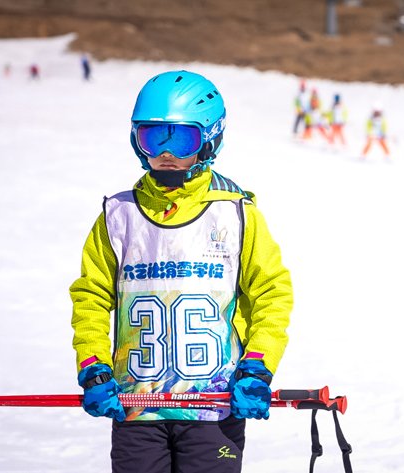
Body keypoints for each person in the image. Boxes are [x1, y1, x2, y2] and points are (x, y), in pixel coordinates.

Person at [69, 70, 293, 473]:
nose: (165, 153)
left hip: (214, 408)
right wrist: (93, 365)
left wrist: (258, 366)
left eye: (181, 139)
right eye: (153, 138)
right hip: (137, 407)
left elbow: (271, 293)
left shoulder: (237, 214)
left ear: (210, 139)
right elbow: (91, 297)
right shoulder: (119, 216)